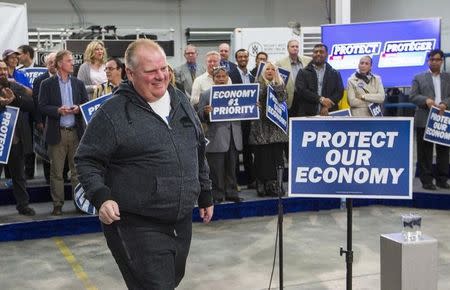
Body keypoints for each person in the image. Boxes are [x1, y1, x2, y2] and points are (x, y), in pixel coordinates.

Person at [74, 39, 214, 289]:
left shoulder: (180, 100)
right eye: (151, 71)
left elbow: (198, 148)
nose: (160, 76)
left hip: (180, 219)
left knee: (171, 279)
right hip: (135, 223)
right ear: (130, 73)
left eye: (163, 68)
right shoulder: (113, 112)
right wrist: (101, 197)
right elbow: (86, 159)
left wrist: (205, 193)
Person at [38, 50, 88, 215]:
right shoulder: (47, 84)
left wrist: (78, 108)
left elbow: (86, 105)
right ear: (60, 64)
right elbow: (42, 106)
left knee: (77, 172)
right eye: (69, 60)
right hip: (57, 133)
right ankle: (57, 204)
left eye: (72, 60)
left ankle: (79, 203)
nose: (72, 63)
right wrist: (58, 110)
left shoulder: (78, 84)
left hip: (76, 132)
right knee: (57, 172)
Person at [197, 66, 243, 203]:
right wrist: (205, 113)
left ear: (228, 78)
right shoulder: (206, 94)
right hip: (216, 136)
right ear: (213, 78)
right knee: (216, 170)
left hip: (234, 136)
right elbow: (199, 115)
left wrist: (254, 106)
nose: (221, 79)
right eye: (218, 77)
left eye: (224, 76)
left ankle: (232, 193)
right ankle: (217, 195)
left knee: (232, 167)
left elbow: (246, 110)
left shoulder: (238, 93)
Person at [410, 49, 450, 190]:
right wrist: (425, 100)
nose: (434, 62)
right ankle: (426, 181)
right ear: (428, 61)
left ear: (441, 61)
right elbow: (412, 96)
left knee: (444, 151)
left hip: (443, 118)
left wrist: (445, 103)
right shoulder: (418, 77)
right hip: (424, 117)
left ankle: (442, 179)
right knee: (424, 152)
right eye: (431, 59)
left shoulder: (448, 77)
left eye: (437, 59)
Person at [0, 60, 36, 215]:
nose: (2, 72)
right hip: (1, 141)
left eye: (4, 69)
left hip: (16, 139)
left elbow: (31, 105)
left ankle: (23, 205)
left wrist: (15, 100)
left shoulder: (15, 86)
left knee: (19, 176)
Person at [249, 62, 288, 197]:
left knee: (277, 159)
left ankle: (276, 184)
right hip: (261, 129)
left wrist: (275, 86)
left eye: (272, 69)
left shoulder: (281, 86)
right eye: (267, 69)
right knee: (262, 159)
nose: (270, 71)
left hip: (276, 129)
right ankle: (262, 184)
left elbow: (283, 99)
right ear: (263, 72)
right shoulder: (257, 86)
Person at [229, 49, 256, 189]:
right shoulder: (230, 75)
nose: (243, 59)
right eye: (240, 57)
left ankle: (251, 180)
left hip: (249, 119)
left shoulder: (252, 76)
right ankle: (235, 182)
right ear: (236, 59)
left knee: (247, 150)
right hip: (236, 120)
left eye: (245, 56)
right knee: (234, 153)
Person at [291, 43, 344, 117]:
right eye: (316, 52)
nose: (318, 54)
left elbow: (339, 92)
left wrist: (327, 106)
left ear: (326, 54)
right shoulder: (303, 72)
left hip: (329, 113)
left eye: (321, 52)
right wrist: (320, 99)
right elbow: (301, 91)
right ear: (312, 55)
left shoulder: (335, 73)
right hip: (307, 115)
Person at [32, 52, 57, 183]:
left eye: (55, 61)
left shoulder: (65, 78)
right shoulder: (39, 80)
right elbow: (36, 103)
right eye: (50, 62)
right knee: (46, 150)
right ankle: (48, 177)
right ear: (46, 64)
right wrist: (39, 121)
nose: (53, 64)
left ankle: (62, 176)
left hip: (60, 120)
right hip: (45, 120)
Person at [276, 39, 312, 108]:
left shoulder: (308, 61)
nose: (295, 48)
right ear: (288, 48)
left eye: (297, 46)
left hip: (306, 97)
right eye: (292, 46)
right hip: (290, 98)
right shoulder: (280, 63)